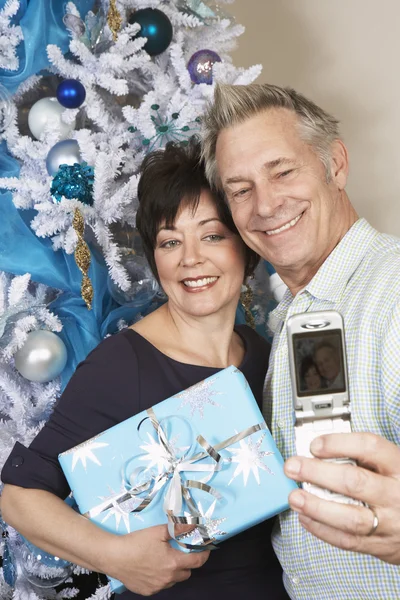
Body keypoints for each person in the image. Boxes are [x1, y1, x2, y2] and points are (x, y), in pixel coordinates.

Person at [1, 139, 290, 599]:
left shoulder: (263, 353)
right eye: (170, 241)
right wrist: (113, 557)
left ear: (245, 246)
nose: (191, 258)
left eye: (212, 235)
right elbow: (19, 497)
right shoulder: (124, 363)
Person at [202, 83, 400, 599]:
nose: (266, 204)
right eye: (241, 190)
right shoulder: (290, 317)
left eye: (282, 171)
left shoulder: (394, 291)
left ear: (334, 163)